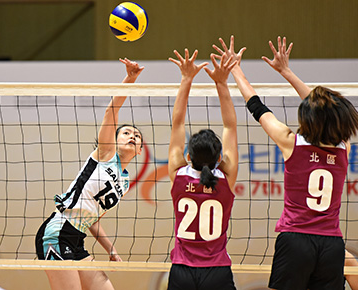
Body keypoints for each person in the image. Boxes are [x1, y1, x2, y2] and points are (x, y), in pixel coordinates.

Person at [213, 35, 358, 290]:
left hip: (295, 241)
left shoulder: (291, 143)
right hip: (332, 243)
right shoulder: (343, 149)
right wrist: (287, 72)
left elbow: (255, 105)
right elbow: (326, 112)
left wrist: (236, 69)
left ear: (309, 117)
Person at [35, 58, 144, 290]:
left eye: (137, 136)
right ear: (114, 140)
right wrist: (130, 79)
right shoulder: (105, 154)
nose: (132, 136)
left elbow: (93, 221)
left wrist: (111, 250)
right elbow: (111, 111)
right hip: (58, 231)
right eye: (126, 132)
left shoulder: (123, 183)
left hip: (78, 239)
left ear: (140, 150)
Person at [167, 46, 238, 290]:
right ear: (220, 159)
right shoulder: (226, 177)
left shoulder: (178, 175)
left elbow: (177, 123)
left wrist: (186, 79)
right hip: (216, 271)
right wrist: (222, 83)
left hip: (182, 271)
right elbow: (230, 126)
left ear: (188, 156)